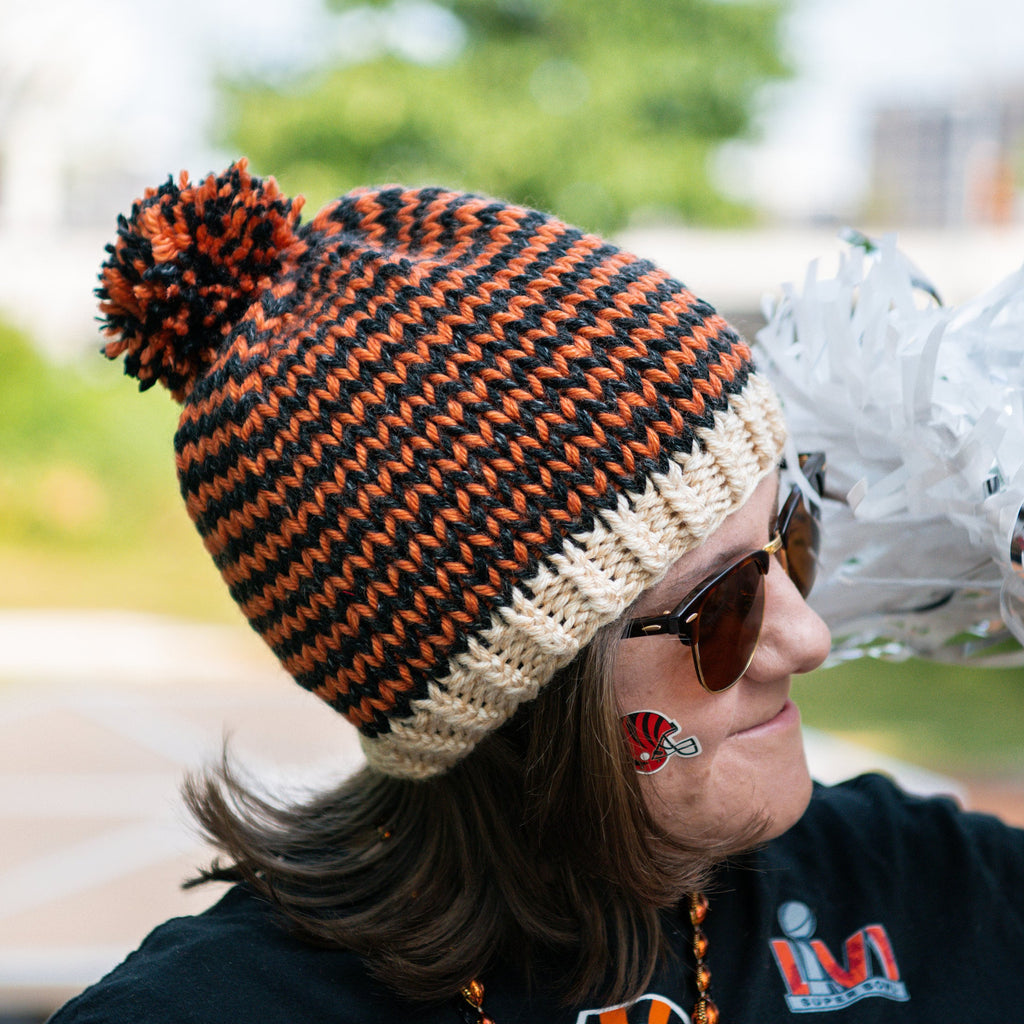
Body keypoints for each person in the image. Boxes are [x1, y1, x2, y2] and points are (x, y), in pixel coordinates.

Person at [49, 161, 1023, 1024]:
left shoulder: (910, 888)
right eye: (723, 609)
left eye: (791, 534)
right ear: (510, 700)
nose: (807, 637)